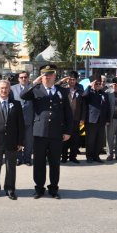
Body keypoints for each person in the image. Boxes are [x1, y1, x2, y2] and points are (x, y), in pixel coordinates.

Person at [20, 64, 72, 199]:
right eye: (45, 75)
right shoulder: (36, 89)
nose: (47, 77)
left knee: (55, 162)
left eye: (50, 75)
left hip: (56, 132)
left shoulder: (62, 91)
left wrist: (68, 131)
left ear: (55, 76)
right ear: (41, 77)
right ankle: (39, 188)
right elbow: (23, 95)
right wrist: (33, 83)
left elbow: (68, 113)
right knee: (39, 162)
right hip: (39, 132)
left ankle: (54, 188)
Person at [0, 80, 24, 200]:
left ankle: (10, 189)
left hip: (12, 141)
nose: (4, 90)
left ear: (9, 90)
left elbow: (20, 124)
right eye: (1, 88)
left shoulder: (16, 104)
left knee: (10, 167)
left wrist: (20, 142)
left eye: (6, 88)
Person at [56, 71, 85, 164]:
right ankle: (64, 157)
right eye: (70, 79)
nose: (72, 81)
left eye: (74, 80)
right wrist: (62, 80)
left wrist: (82, 118)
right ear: (68, 80)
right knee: (65, 139)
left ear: (76, 80)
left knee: (75, 139)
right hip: (65, 119)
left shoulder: (79, 90)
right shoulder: (63, 89)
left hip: (76, 119)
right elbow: (55, 86)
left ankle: (73, 157)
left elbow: (83, 105)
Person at [82, 74, 110, 163]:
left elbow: (107, 107)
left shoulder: (104, 94)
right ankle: (89, 156)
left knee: (99, 140)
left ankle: (96, 156)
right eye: (96, 84)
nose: (98, 85)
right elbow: (84, 95)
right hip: (91, 120)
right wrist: (90, 86)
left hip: (101, 120)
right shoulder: (89, 92)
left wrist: (108, 119)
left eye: (99, 84)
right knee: (90, 140)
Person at [11, 71, 34, 166]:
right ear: (18, 79)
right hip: (16, 119)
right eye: (21, 77)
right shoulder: (12, 89)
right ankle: (18, 158)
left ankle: (27, 159)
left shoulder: (33, 88)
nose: (23, 79)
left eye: (25, 77)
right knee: (17, 140)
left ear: (28, 78)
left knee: (29, 141)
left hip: (29, 118)